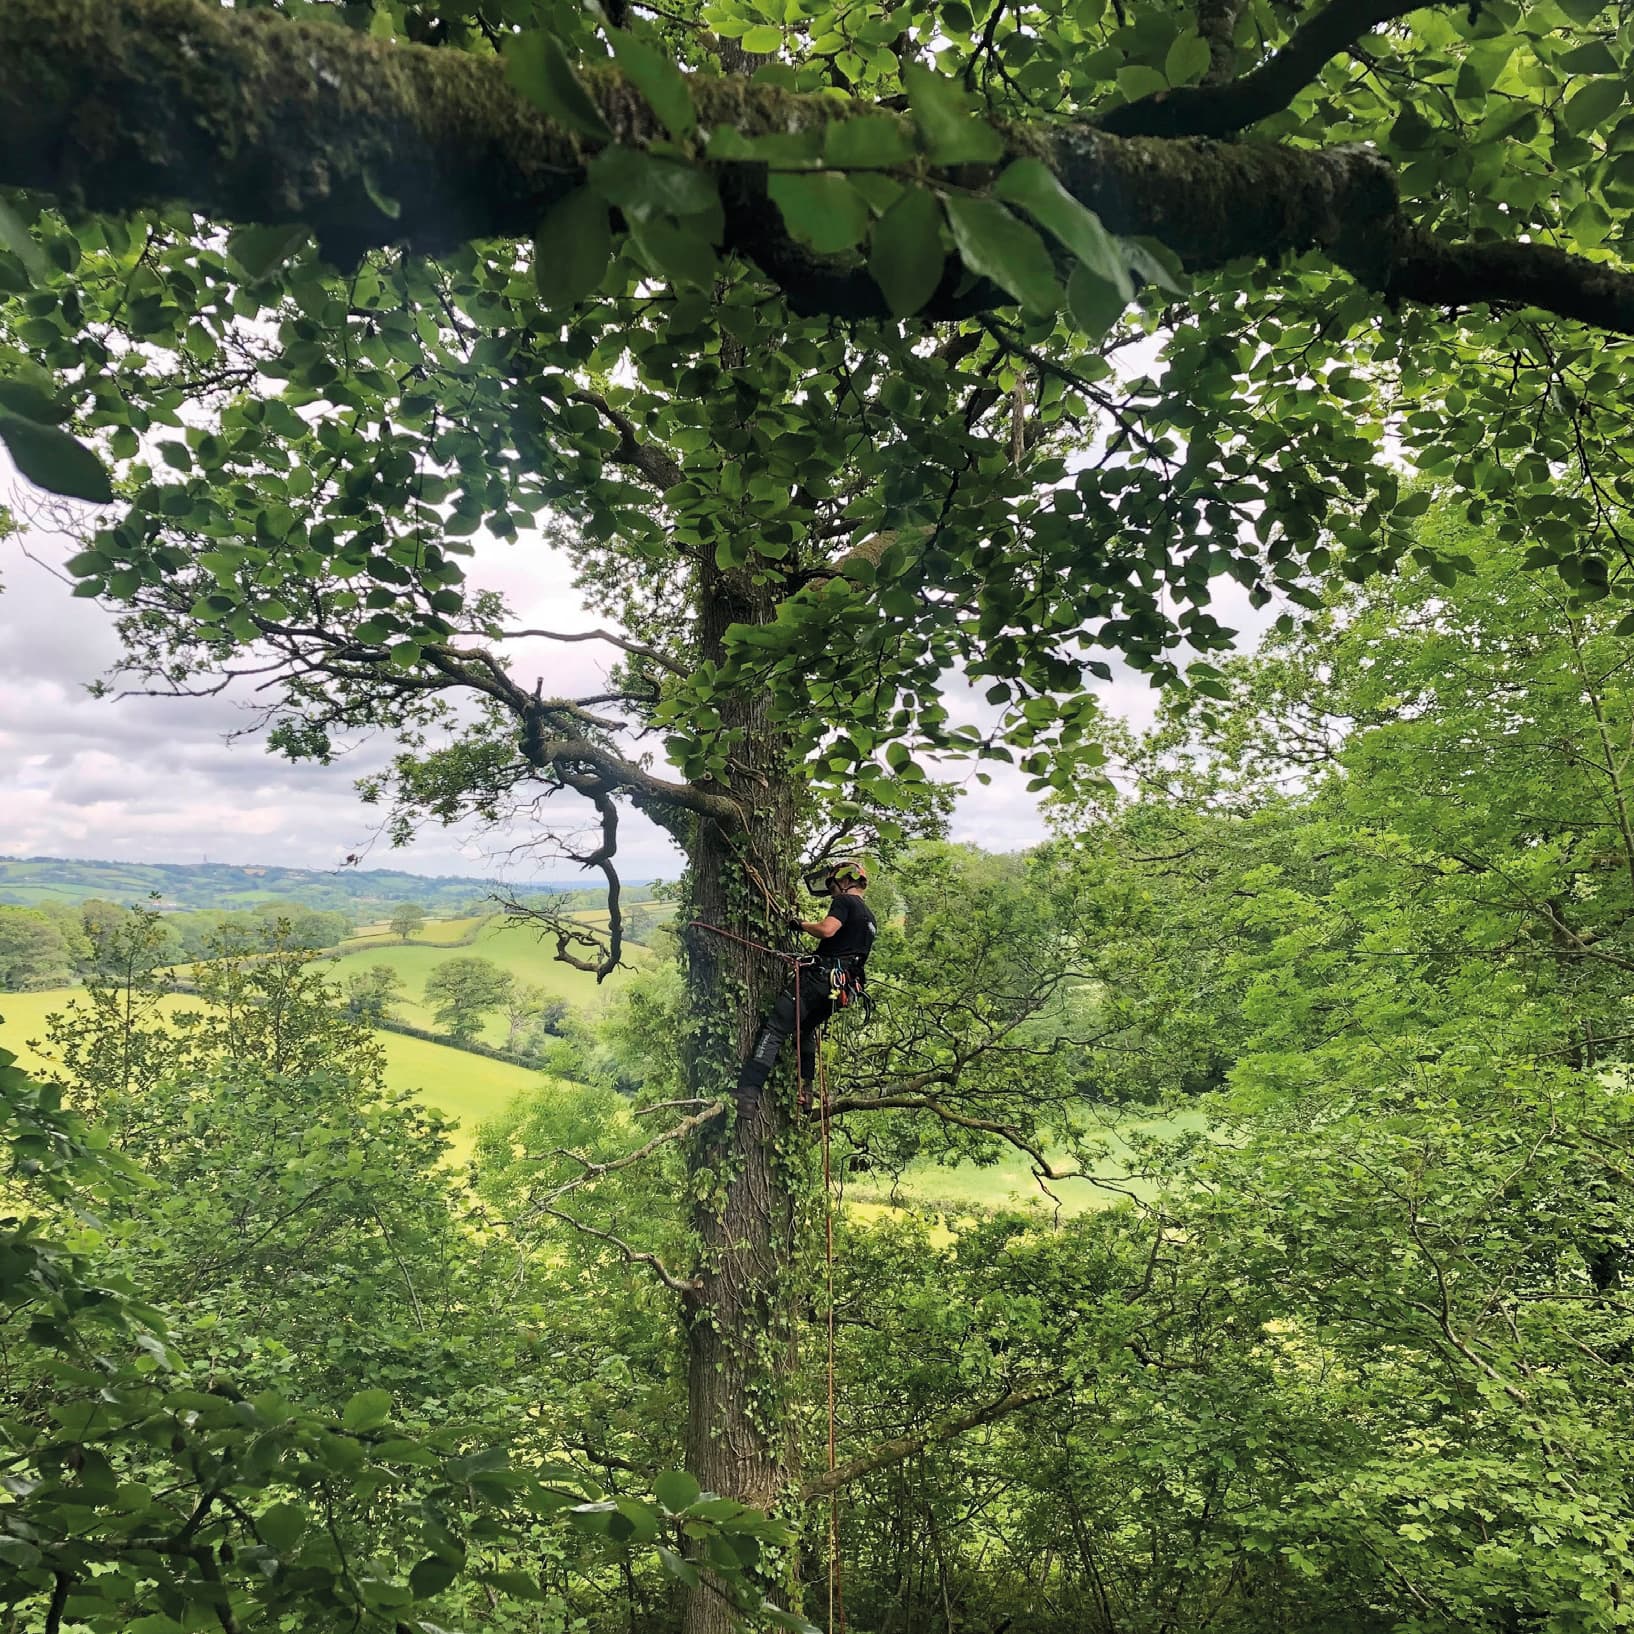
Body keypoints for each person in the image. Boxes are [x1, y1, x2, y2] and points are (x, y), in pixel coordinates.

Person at [736, 859, 877, 1107]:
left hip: (822, 979)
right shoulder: (869, 917)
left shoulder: (844, 902)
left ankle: (748, 1094)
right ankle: (807, 1093)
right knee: (804, 1030)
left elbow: (827, 929)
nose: (832, 891)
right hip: (844, 989)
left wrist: (800, 925)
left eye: (833, 885)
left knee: (776, 1029)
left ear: (845, 881)